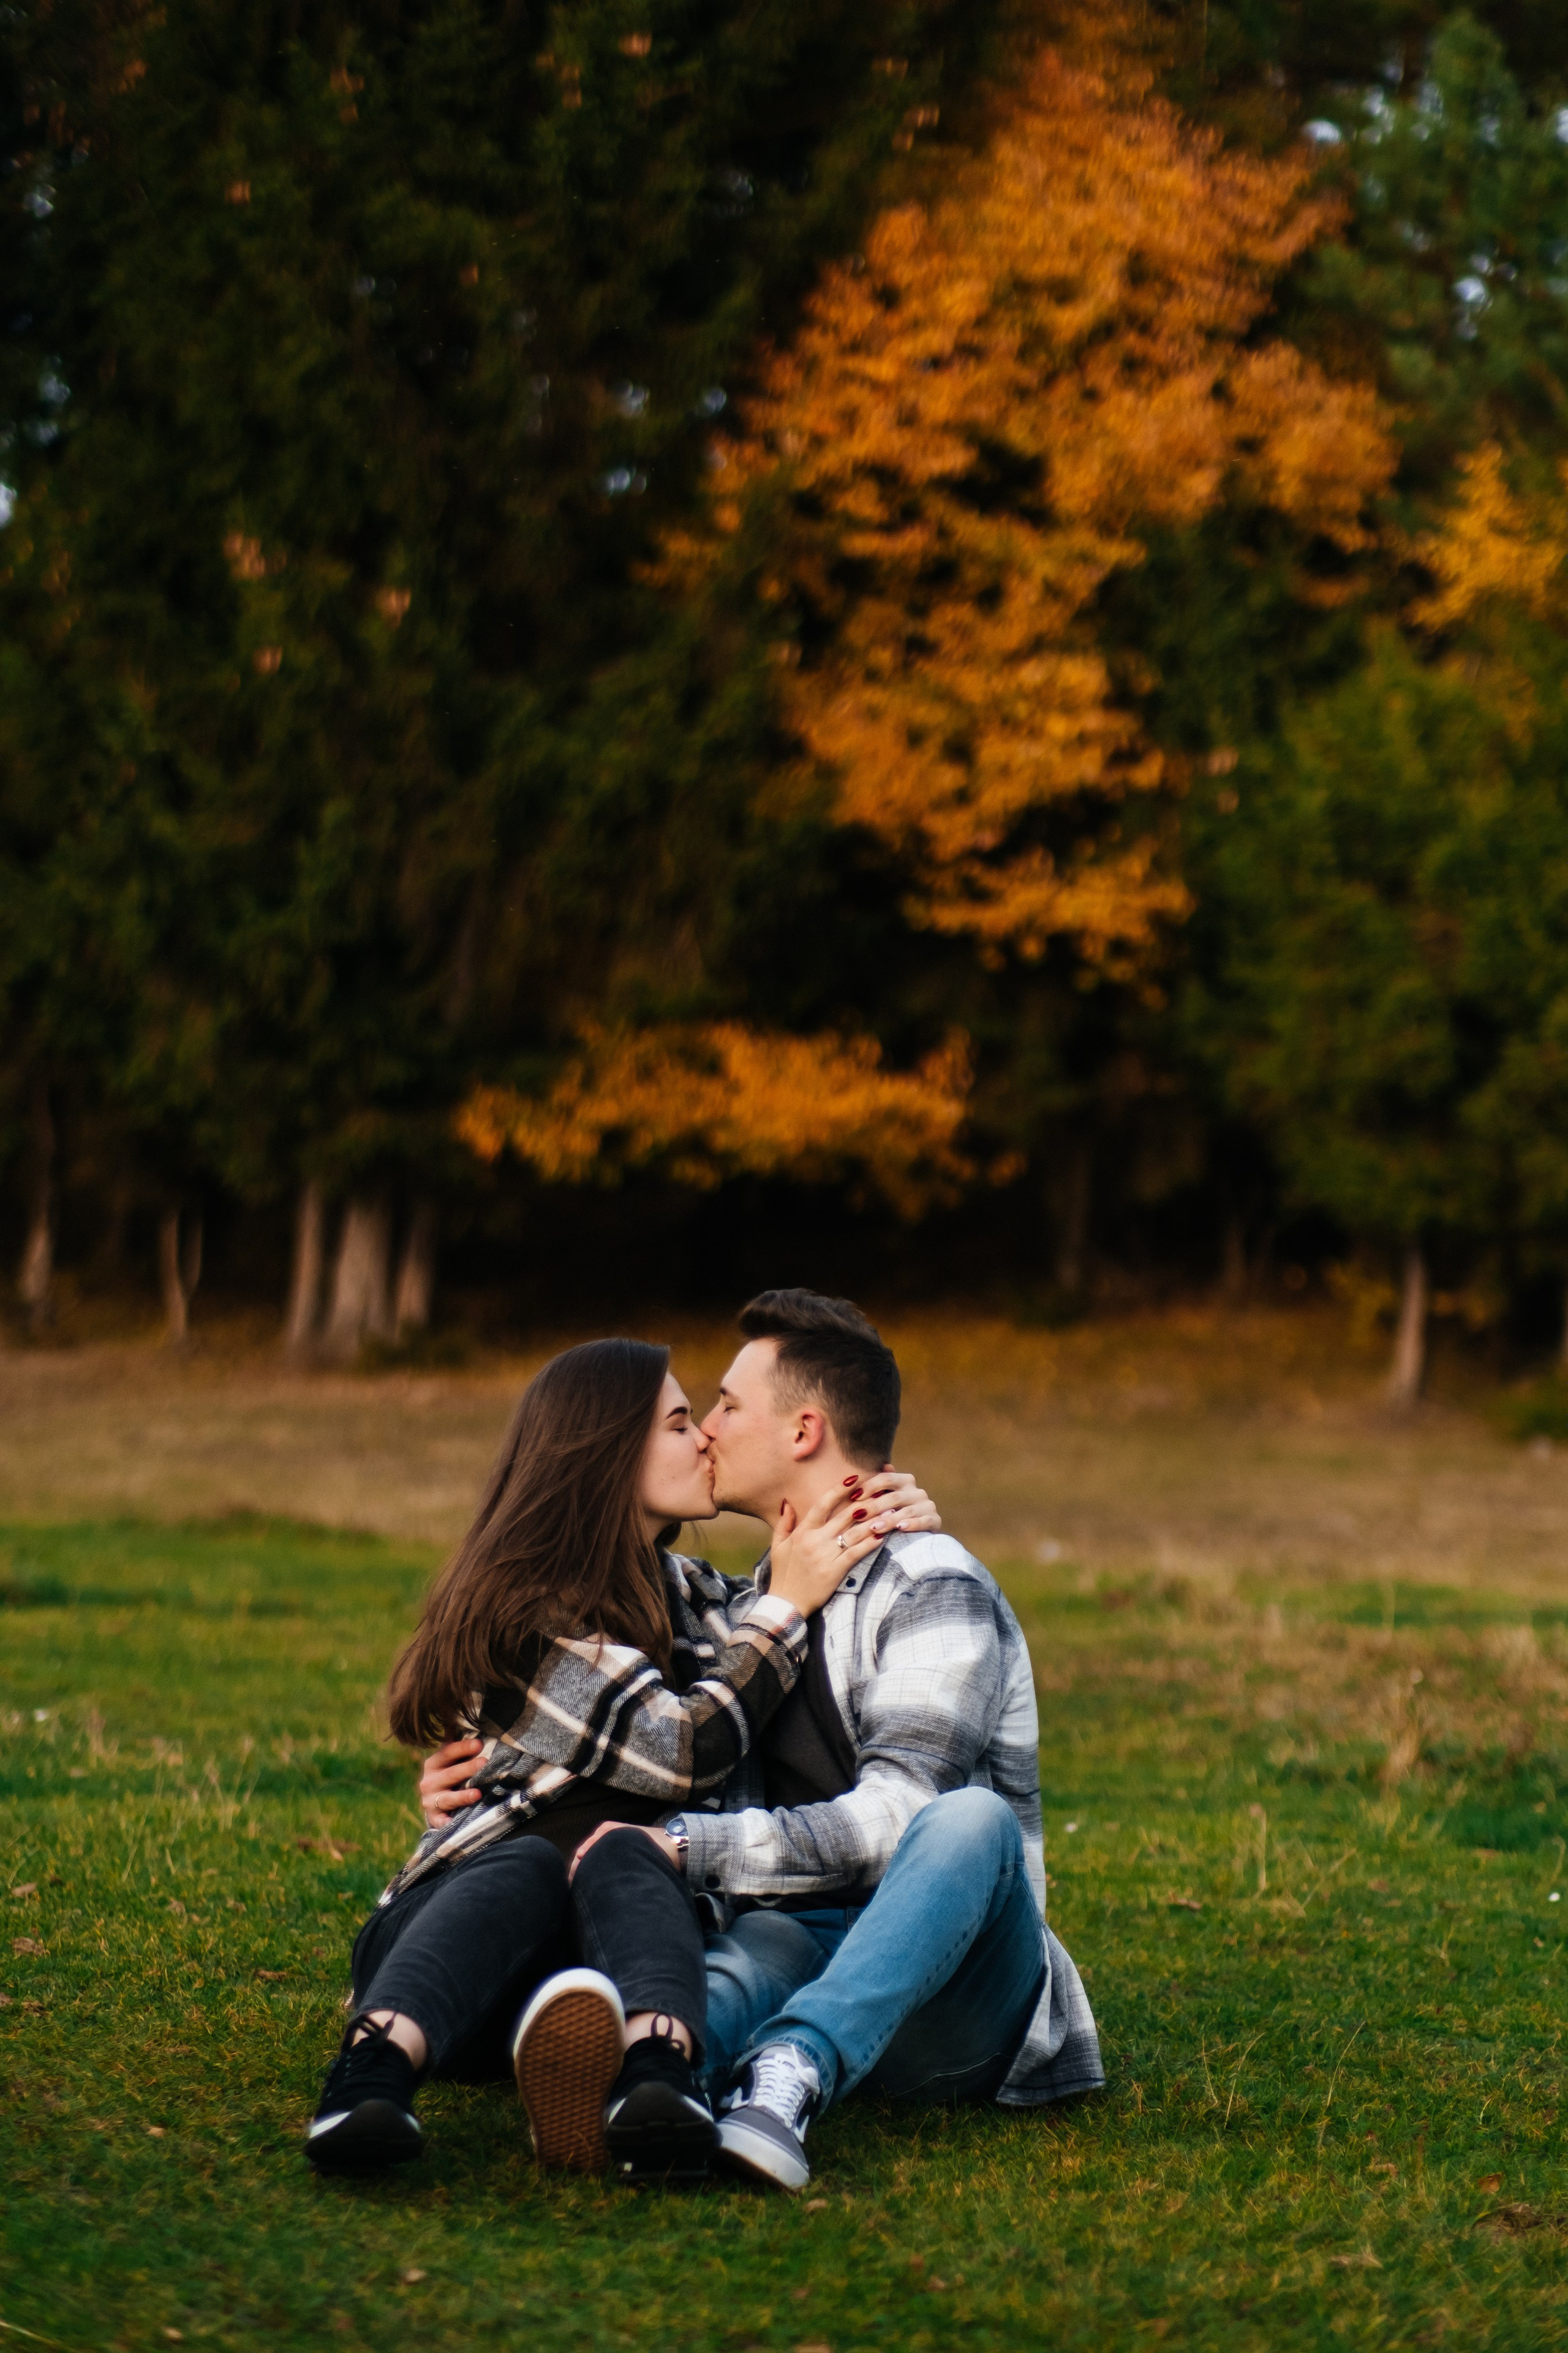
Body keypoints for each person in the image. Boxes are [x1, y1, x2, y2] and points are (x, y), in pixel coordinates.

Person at [426, 1290, 1105, 2196]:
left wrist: (681, 1846)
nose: (706, 1430)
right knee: (711, 1984)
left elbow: (902, 1820)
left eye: (726, 1405)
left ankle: (791, 2066)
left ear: (804, 1431)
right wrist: (482, 1766)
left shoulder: (935, 1584)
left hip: (951, 1987)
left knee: (966, 1822)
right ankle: (638, 2086)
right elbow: (601, 1662)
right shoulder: (747, 1607)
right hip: (790, 1930)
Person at [306, 1334, 940, 2182]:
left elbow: (784, 1615)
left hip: (573, 1972)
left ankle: (658, 2077)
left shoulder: (683, 1593)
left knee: (632, 1853)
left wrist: (873, 1509)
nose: (706, 1437)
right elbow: (686, 1748)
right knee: (536, 1860)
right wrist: (785, 1605)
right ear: (607, 1451)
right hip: (449, 1948)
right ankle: (371, 2070)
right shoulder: (529, 1612)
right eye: (681, 1422)